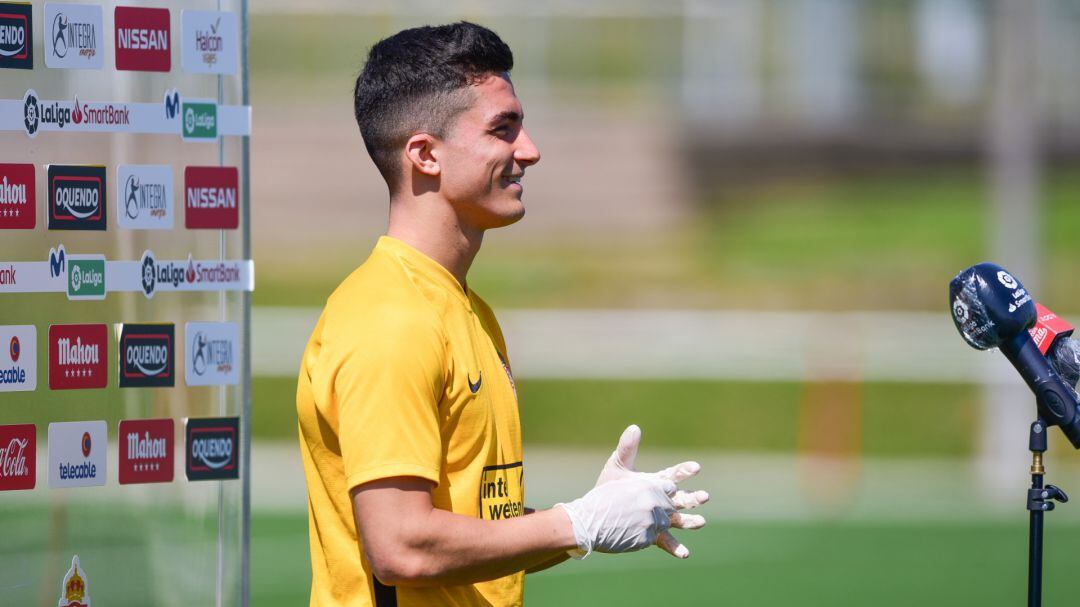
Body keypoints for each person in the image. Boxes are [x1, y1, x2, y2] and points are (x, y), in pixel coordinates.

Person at [295, 22, 709, 607]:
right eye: (502, 129)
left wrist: (587, 517)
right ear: (425, 155)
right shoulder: (389, 319)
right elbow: (400, 547)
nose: (530, 150)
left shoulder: (464, 308)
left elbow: (470, 532)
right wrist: (575, 524)